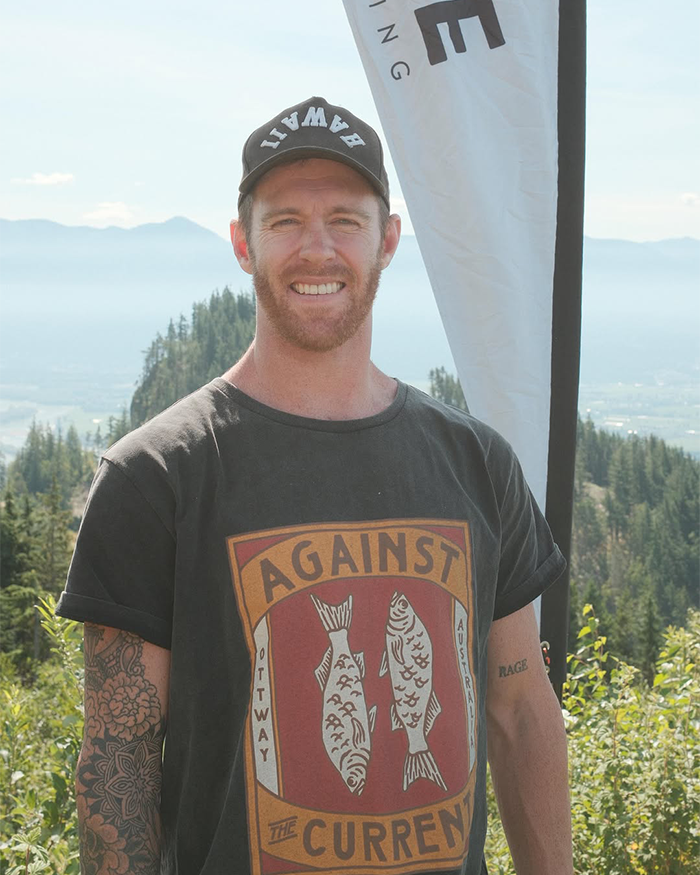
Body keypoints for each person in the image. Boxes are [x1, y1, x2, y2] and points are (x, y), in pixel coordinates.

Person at [56, 96, 573, 875]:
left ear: (388, 239)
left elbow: (522, 707)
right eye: (286, 221)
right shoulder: (155, 475)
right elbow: (116, 760)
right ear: (243, 243)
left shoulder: (476, 463)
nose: (317, 248)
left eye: (345, 220)